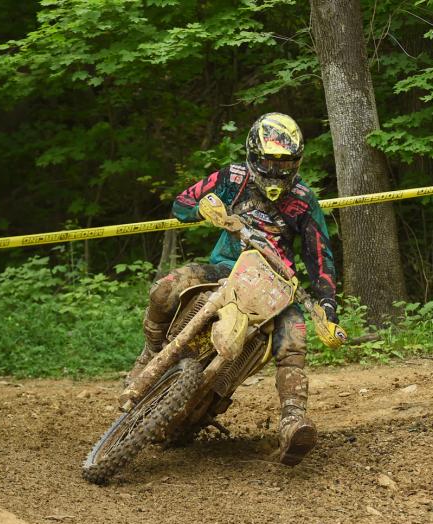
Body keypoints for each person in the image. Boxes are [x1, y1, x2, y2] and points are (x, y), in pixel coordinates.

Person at [128, 112, 338, 466]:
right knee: (164, 289)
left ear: (297, 162)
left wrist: (328, 307)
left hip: (275, 286)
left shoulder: (303, 199)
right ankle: (149, 354)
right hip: (225, 267)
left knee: (294, 339)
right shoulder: (233, 178)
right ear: (254, 156)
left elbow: (320, 258)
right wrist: (202, 209)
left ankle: (293, 419)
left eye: (285, 163)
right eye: (268, 162)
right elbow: (181, 203)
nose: (276, 171)